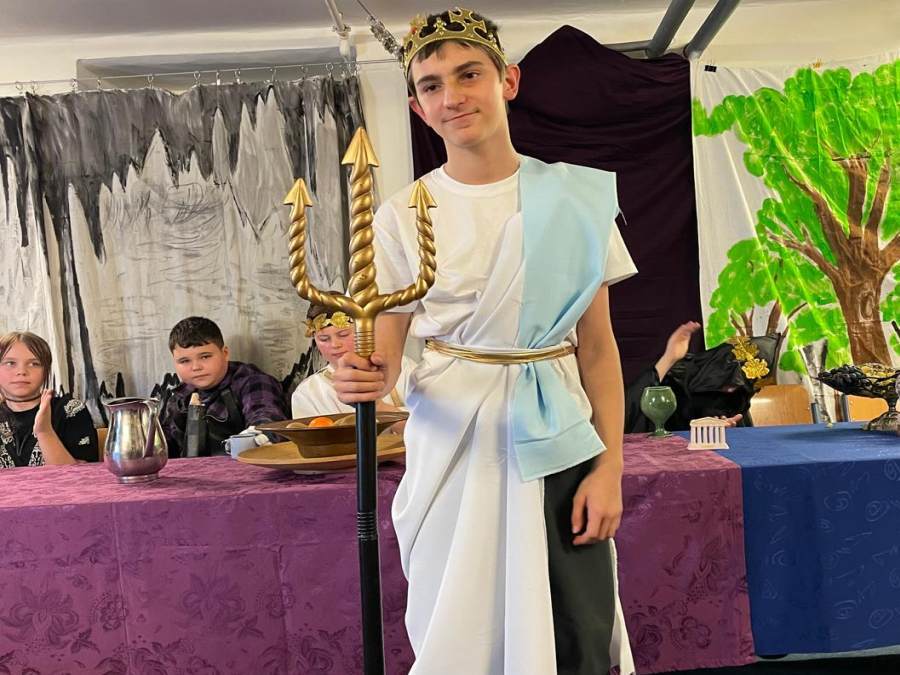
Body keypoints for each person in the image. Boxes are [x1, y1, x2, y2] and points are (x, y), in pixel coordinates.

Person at [333, 8, 636, 674]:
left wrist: (610, 467)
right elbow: (384, 358)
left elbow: (598, 349)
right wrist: (358, 373)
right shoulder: (401, 216)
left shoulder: (575, 201)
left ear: (508, 81)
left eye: (469, 74)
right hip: (452, 448)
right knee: (462, 638)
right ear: (417, 107)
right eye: (432, 84)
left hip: (558, 442)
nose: (453, 96)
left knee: (574, 630)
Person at [161, 317, 288, 457]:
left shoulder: (252, 382)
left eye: (205, 357)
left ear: (225, 353)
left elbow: (267, 419)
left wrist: (255, 438)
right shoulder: (180, 397)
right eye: (184, 361)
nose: (196, 367)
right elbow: (163, 444)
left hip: (244, 467)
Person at [625, 321, 777, 433]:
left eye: (740, 387)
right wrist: (669, 358)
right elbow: (628, 415)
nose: (731, 390)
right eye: (727, 381)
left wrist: (720, 434)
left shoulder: (735, 402)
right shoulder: (672, 383)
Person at [290, 303, 415, 419]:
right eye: (324, 339)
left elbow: (425, 426)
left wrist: (378, 407)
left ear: (363, 331)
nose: (335, 344)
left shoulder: (403, 367)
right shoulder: (307, 393)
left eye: (343, 335)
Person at [0, 331, 98, 467]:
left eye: (34, 364)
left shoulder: (70, 410)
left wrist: (44, 431)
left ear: (46, 371)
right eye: (10, 363)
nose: (21, 371)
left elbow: (80, 475)